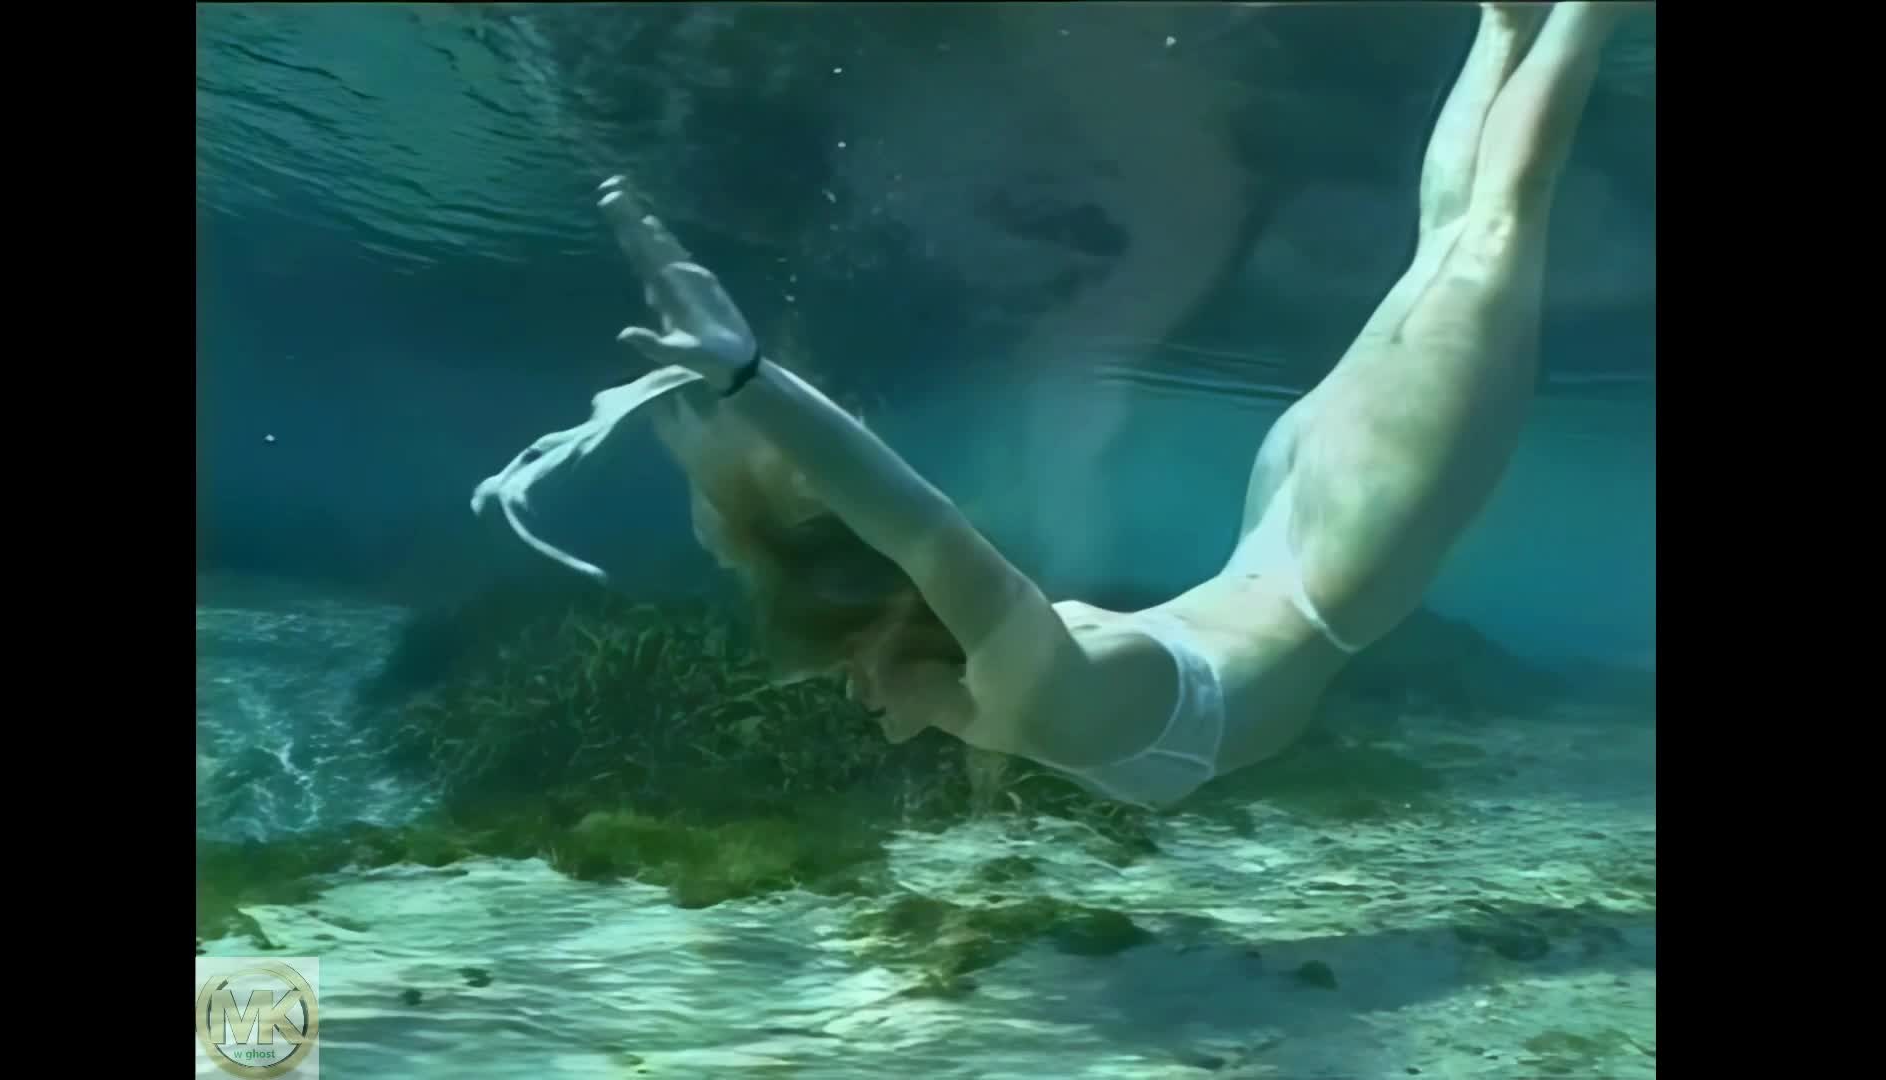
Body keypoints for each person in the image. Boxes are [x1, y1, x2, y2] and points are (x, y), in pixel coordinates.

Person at [476, 2, 1635, 809]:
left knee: (1486, 233)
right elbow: (920, 546)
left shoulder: (1042, 694)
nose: (854, 691)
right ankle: (1508, 25)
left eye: (850, 663)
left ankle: (1572, 16)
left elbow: (924, 532)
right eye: (848, 666)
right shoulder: (1021, 696)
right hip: (1318, 523)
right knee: (1465, 240)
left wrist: (748, 381)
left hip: (1353, 528)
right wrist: (748, 399)